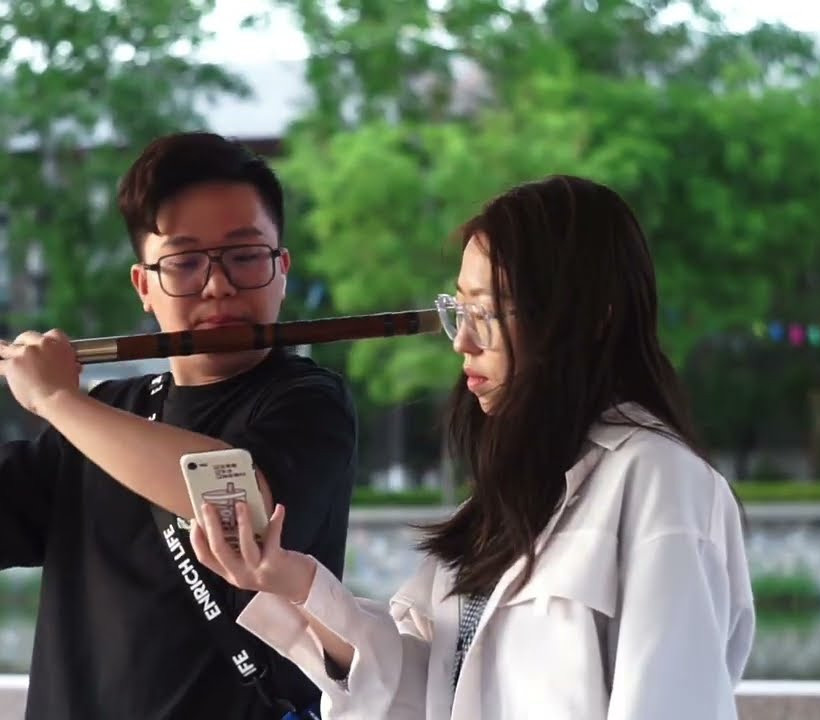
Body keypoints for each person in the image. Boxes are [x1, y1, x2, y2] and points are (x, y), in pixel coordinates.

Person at [190, 175, 756, 719]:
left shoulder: (661, 483)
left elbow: (669, 701)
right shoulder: (502, 498)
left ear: (592, 320)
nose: (462, 339)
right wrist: (291, 581)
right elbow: (425, 692)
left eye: (488, 310)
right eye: (460, 308)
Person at [0, 132, 358, 719]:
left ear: (281, 270)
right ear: (145, 286)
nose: (218, 285)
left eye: (245, 256)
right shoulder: (108, 410)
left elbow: (239, 499)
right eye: (185, 262)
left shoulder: (307, 399)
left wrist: (58, 400)